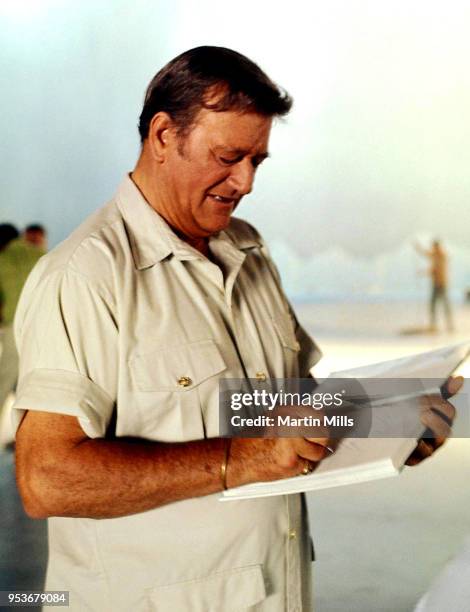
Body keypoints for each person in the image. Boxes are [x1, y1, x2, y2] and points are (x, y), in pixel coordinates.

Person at [13, 47, 460, 611]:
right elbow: (46, 479)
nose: (245, 181)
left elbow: (272, 412)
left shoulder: (247, 249)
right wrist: (241, 460)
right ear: (162, 136)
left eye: (258, 160)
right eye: (228, 156)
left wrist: (389, 426)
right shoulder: (85, 276)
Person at [0, 223, 46, 440]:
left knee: (5, 380)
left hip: (12, 325)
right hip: (41, 325)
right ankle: (32, 436)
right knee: (33, 382)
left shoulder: (2, 259)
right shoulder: (39, 254)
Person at [414, 239, 454, 332]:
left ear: (437, 246)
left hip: (442, 285)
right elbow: (426, 254)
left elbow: (435, 269)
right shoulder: (435, 255)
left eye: (434, 247)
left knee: (445, 305)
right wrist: (418, 247)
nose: (433, 249)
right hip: (435, 284)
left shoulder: (442, 256)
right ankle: (434, 325)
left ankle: (449, 325)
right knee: (433, 305)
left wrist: (423, 272)